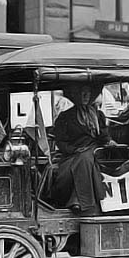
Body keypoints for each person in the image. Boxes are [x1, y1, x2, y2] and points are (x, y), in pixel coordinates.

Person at [51, 83, 115, 215]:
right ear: (75, 95)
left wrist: (109, 141)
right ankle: (78, 201)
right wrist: (73, 150)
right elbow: (61, 141)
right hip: (73, 153)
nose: (85, 96)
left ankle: (81, 202)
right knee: (80, 162)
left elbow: (103, 136)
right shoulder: (65, 116)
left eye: (88, 93)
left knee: (85, 159)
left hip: (94, 151)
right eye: (82, 93)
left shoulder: (98, 115)